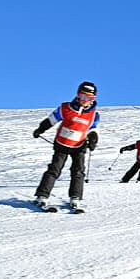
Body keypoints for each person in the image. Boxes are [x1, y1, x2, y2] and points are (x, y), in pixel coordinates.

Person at [32, 81, 100, 210]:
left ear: (93, 99)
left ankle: (75, 197)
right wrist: (40, 129)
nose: (85, 100)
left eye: (89, 98)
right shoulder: (65, 108)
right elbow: (51, 120)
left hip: (79, 146)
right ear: (77, 95)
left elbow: (93, 130)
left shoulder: (94, 115)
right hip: (62, 144)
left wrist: (92, 141)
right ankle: (42, 196)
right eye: (82, 96)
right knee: (54, 170)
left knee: (78, 172)